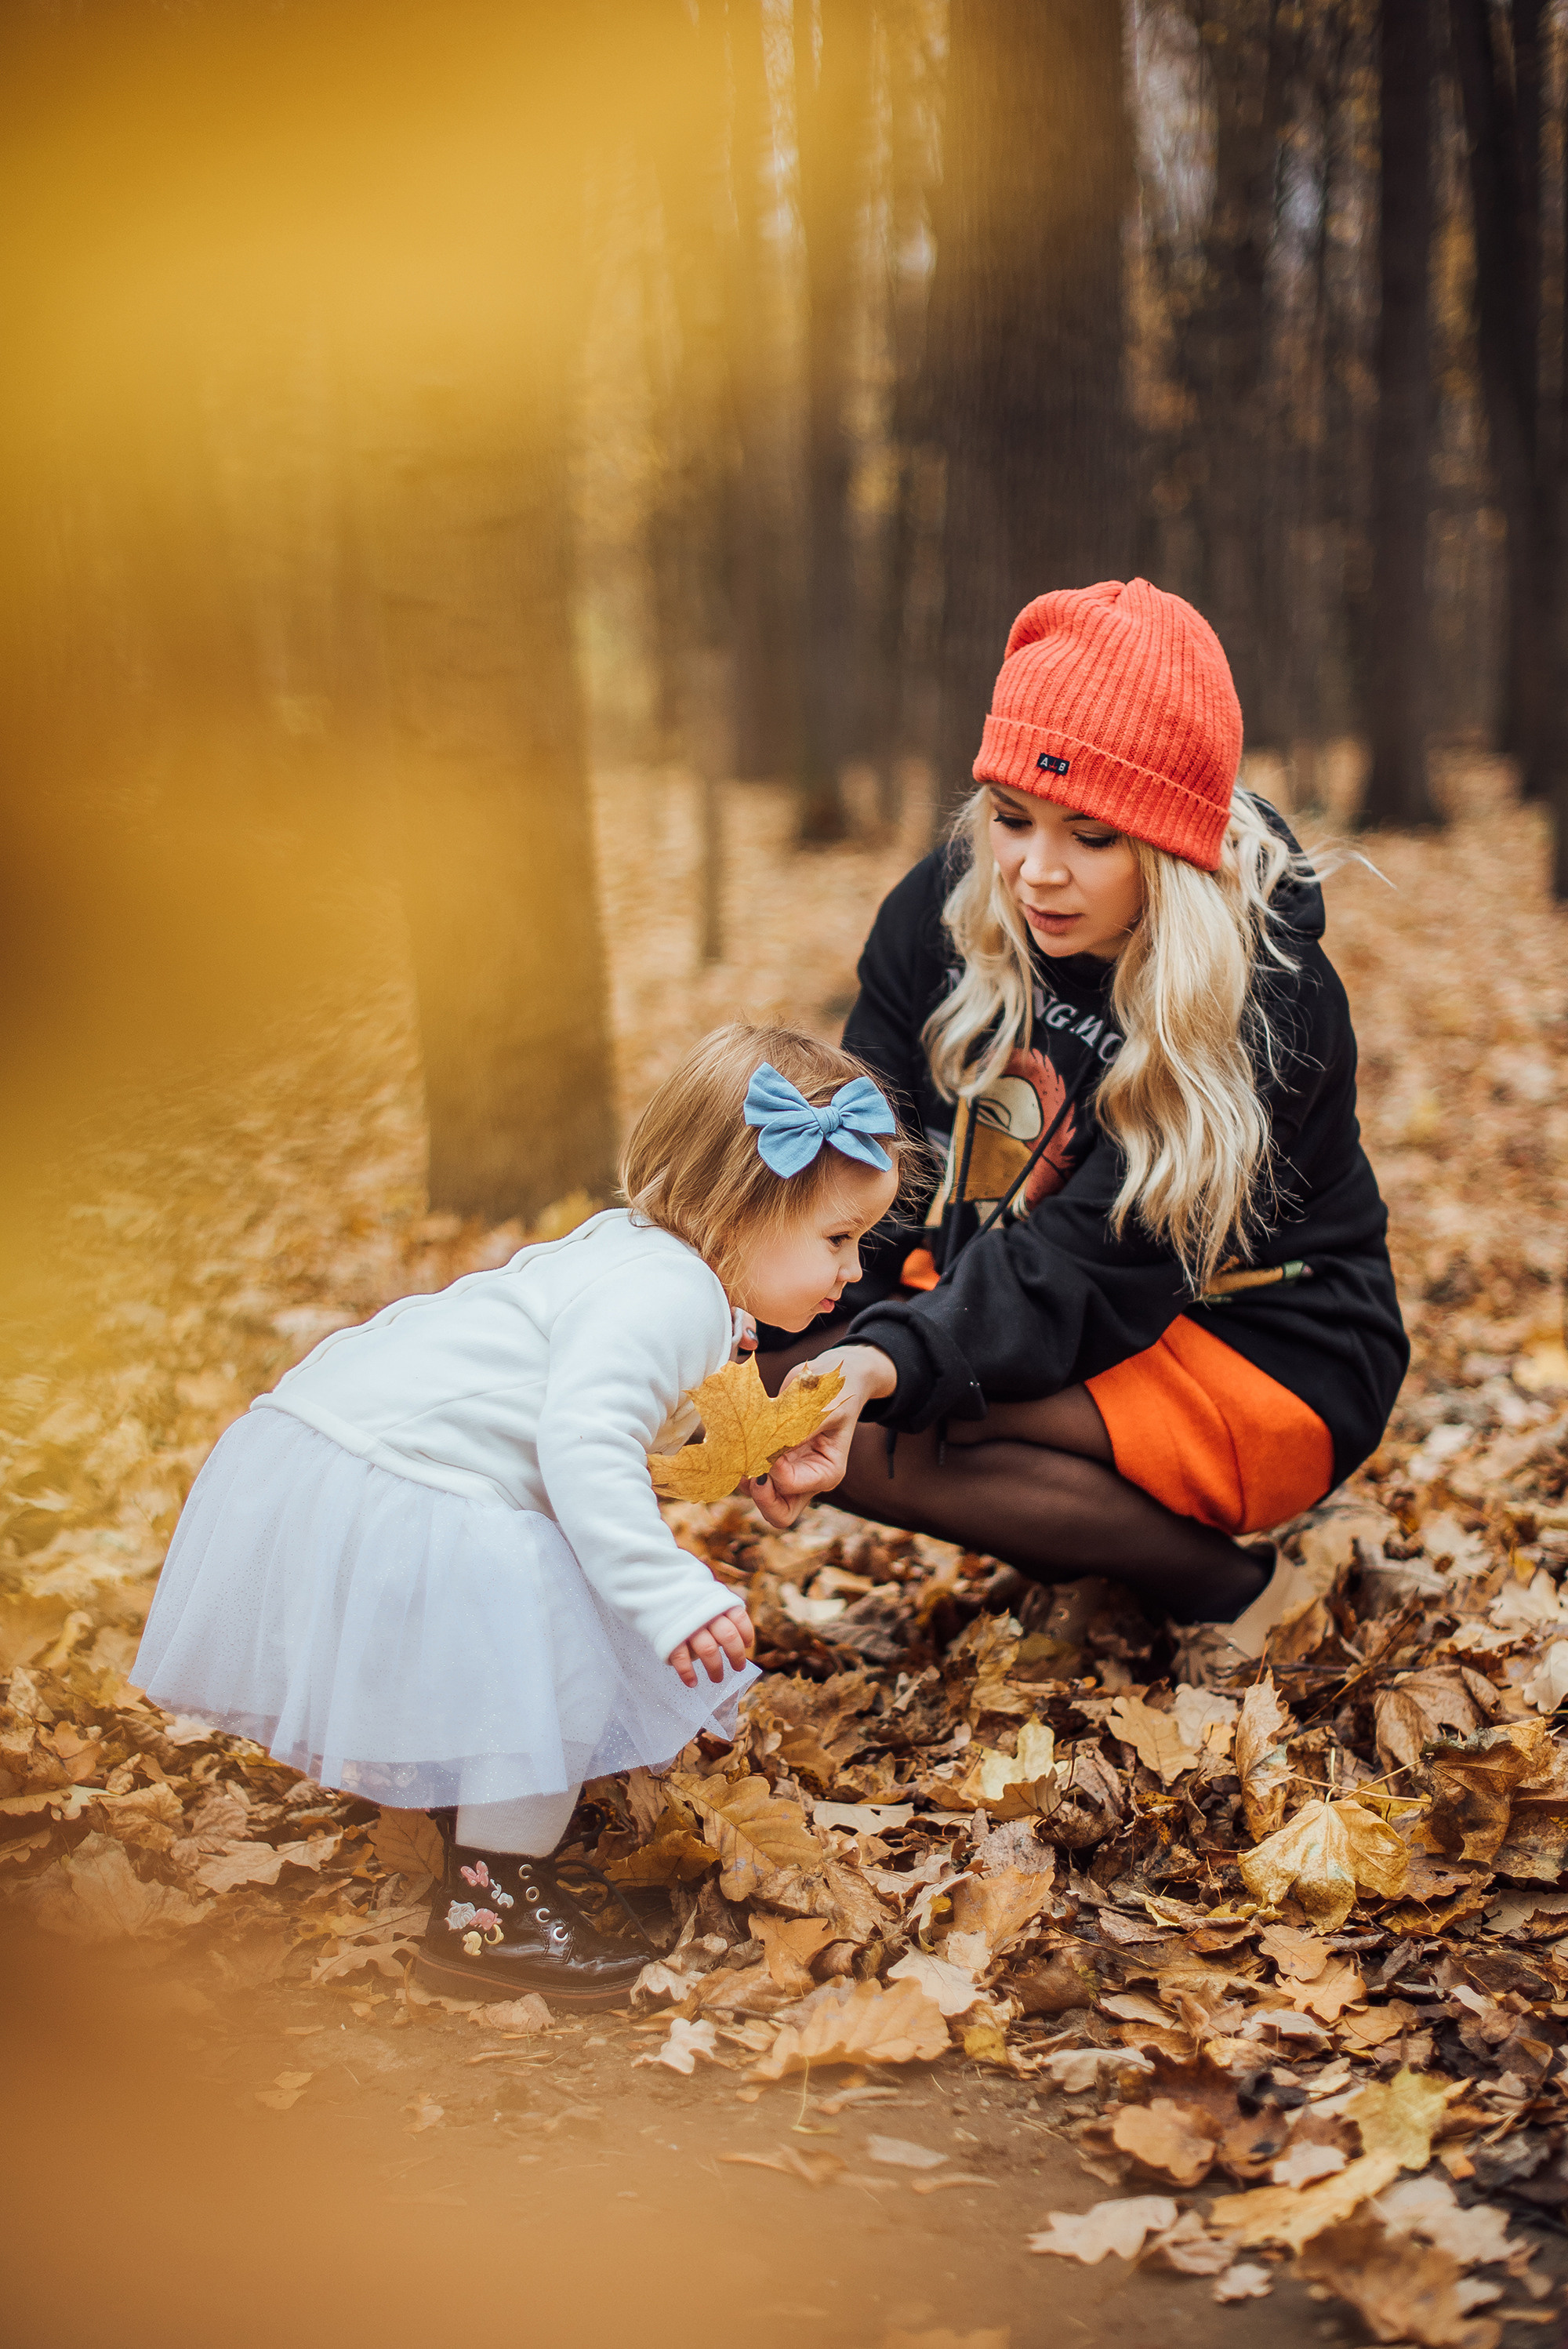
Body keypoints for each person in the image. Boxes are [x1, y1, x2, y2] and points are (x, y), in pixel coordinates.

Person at [133, 1023, 914, 2006]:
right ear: (732, 1214)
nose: (852, 1272)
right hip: (417, 1483)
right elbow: (584, 1444)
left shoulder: (647, 1256)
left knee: (531, 1657)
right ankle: (487, 1912)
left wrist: (730, 1444)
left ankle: (484, 1849)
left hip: (355, 1452)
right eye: (837, 1240)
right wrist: (664, 1590)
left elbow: (605, 1413)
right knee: (556, 1673)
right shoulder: (666, 1296)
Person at [753, 579, 1408, 1683]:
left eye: (1093, 835)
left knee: (875, 1417)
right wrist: (821, 1323)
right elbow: (870, 1152)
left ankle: (1233, 1591)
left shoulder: (1265, 999)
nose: (1037, 872)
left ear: (1174, 842)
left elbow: (1093, 1271)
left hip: (1261, 1341)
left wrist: (882, 1360)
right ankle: (1087, 1544)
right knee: (794, 1388)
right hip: (1034, 1291)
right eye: (1012, 817)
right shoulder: (947, 906)